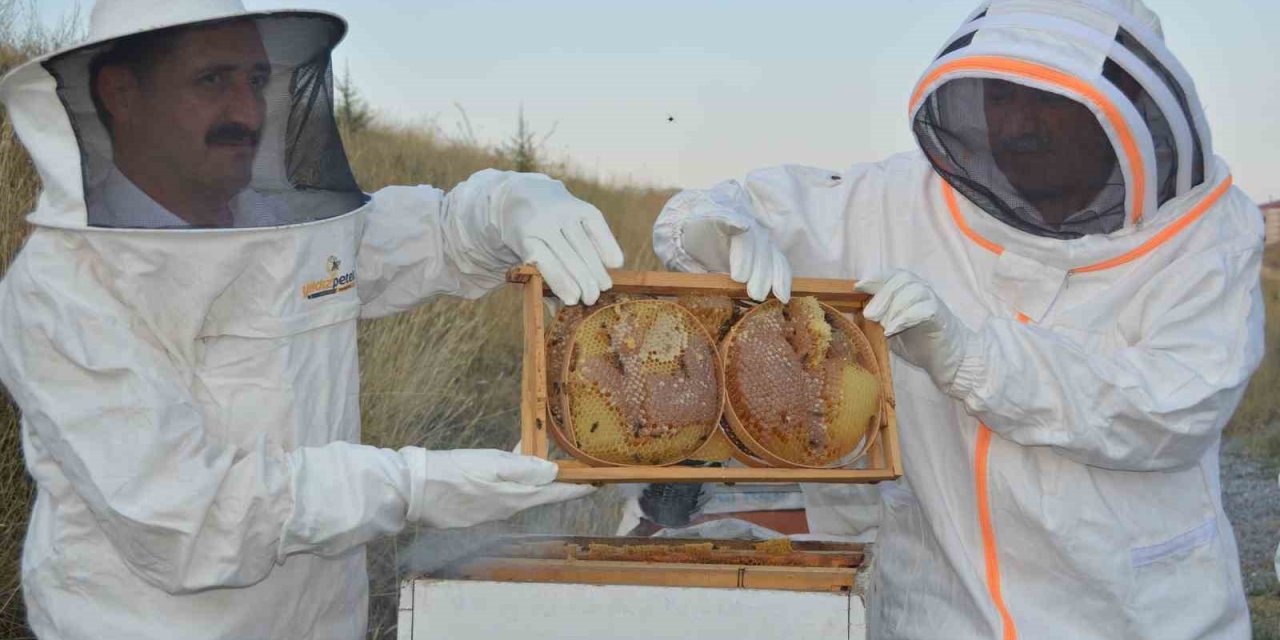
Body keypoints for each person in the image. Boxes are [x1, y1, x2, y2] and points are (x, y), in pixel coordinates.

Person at [0, 0, 626, 638]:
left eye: (257, 79)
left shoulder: (283, 227)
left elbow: (439, 235)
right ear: (120, 93)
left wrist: (511, 205)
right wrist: (414, 486)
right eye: (212, 80)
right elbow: (188, 521)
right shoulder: (64, 289)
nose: (247, 111)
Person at [652, 0, 1264, 637]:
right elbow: (732, 209)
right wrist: (717, 230)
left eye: (1048, 100)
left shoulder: (1206, 234)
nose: (1019, 125)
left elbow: (1176, 404)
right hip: (941, 608)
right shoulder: (894, 201)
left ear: (1120, 104)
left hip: (1128, 612)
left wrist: (972, 357)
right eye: (999, 98)